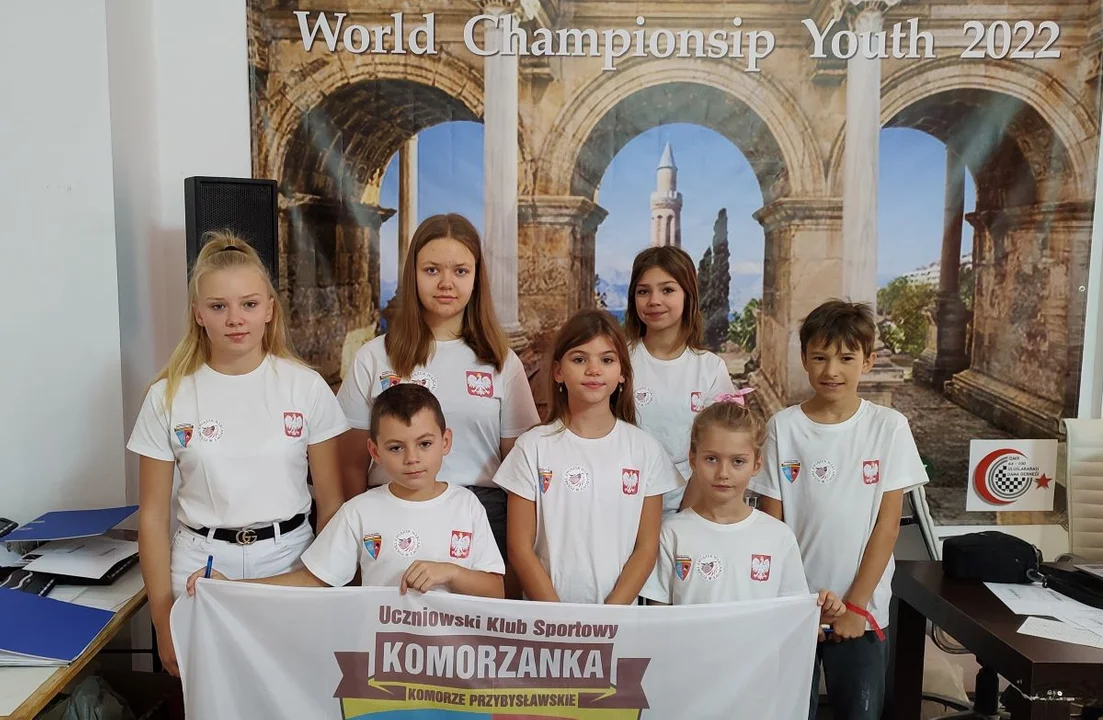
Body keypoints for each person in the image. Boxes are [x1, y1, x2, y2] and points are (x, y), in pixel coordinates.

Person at [126, 231, 347, 676]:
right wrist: (162, 620)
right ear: (198, 314)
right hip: (200, 567)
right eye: (218, 306)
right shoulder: (167, 396)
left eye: (248, 304)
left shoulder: (306, 388)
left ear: (269, 309)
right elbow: (151, 518)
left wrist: (324, 582)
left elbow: (331, 503)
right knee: (210, 696)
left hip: (289, 561)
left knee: (292, 692)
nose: (234, 319)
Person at [749, 299, 929, 720]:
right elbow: (772, 528)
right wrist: (795, 604)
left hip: (860, 611)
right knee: (789, 712)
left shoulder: (888, 427)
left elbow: (887, 527)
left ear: (867, 361)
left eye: (846, 358)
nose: (832, 370)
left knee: (859, 711)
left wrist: (856, 606)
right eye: (820, 357)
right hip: (794, 609)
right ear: (804, 360)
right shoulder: (783, 428)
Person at [336, 214, 539, 572]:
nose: (446, 283)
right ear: (413, 275)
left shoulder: (501, 362)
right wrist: (354, 541)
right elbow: (350, 462)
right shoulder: (374, 357)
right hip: (390, 512)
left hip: (481, 516)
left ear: (476, 277)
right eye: (432, 270)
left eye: (460, 271)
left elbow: (520, 468)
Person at [187, 383, 504, 599]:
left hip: (454, 660)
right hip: (382, 659)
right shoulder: (360, 511)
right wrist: (231, 588)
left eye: (424, 443)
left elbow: (496, 590)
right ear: (374, 451)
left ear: (445, 442)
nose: (412, 458)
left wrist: (450, 573)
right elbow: (313, 579)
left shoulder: (466, 505)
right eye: (396, 447)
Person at [494, 309, 682, 604]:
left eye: (606, 360)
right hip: (547, 618)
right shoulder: (532, 448)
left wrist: (609, 614)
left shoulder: (645, 451)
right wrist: (559, 619)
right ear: (558, 371)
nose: (593, 369)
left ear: (622, 373)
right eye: (580, 359)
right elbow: (520, 548)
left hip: (617, 619)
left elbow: (646, 548)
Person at [641, 393, 845, 633]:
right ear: (693, 459)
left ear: (756, 465)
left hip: (760, 659)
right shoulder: (671, 533)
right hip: (688, 657)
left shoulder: (778, 537)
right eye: (711, 459)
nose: (723, 473)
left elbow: (792, 617)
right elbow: (658, 624)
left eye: (737, 461)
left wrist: (819, 613)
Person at [625, 246, 736, 514]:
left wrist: (683, 517)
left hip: (689, 508)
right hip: (623, 505)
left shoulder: (710, 368)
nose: (654, 300)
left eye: (667, 290)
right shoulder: (618, 361)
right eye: (643, 291)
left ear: (688, 295)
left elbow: (716, 448)